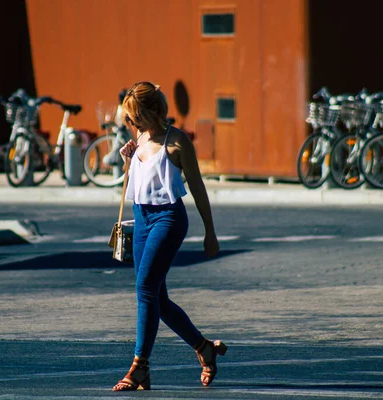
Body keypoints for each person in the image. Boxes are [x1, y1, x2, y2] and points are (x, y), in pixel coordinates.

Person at [112, 81, 226, 391]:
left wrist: (210, 232)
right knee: (156, 298)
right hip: (142, 217)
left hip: (168, 219)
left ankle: (139, 366)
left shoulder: (177, 142)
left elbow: (198, 187)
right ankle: (204, 348)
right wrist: (127, 159)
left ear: (148, 113)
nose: (130, 124)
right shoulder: (140, 137)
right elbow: (138, 183)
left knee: (145, 286)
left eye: (133, 117)